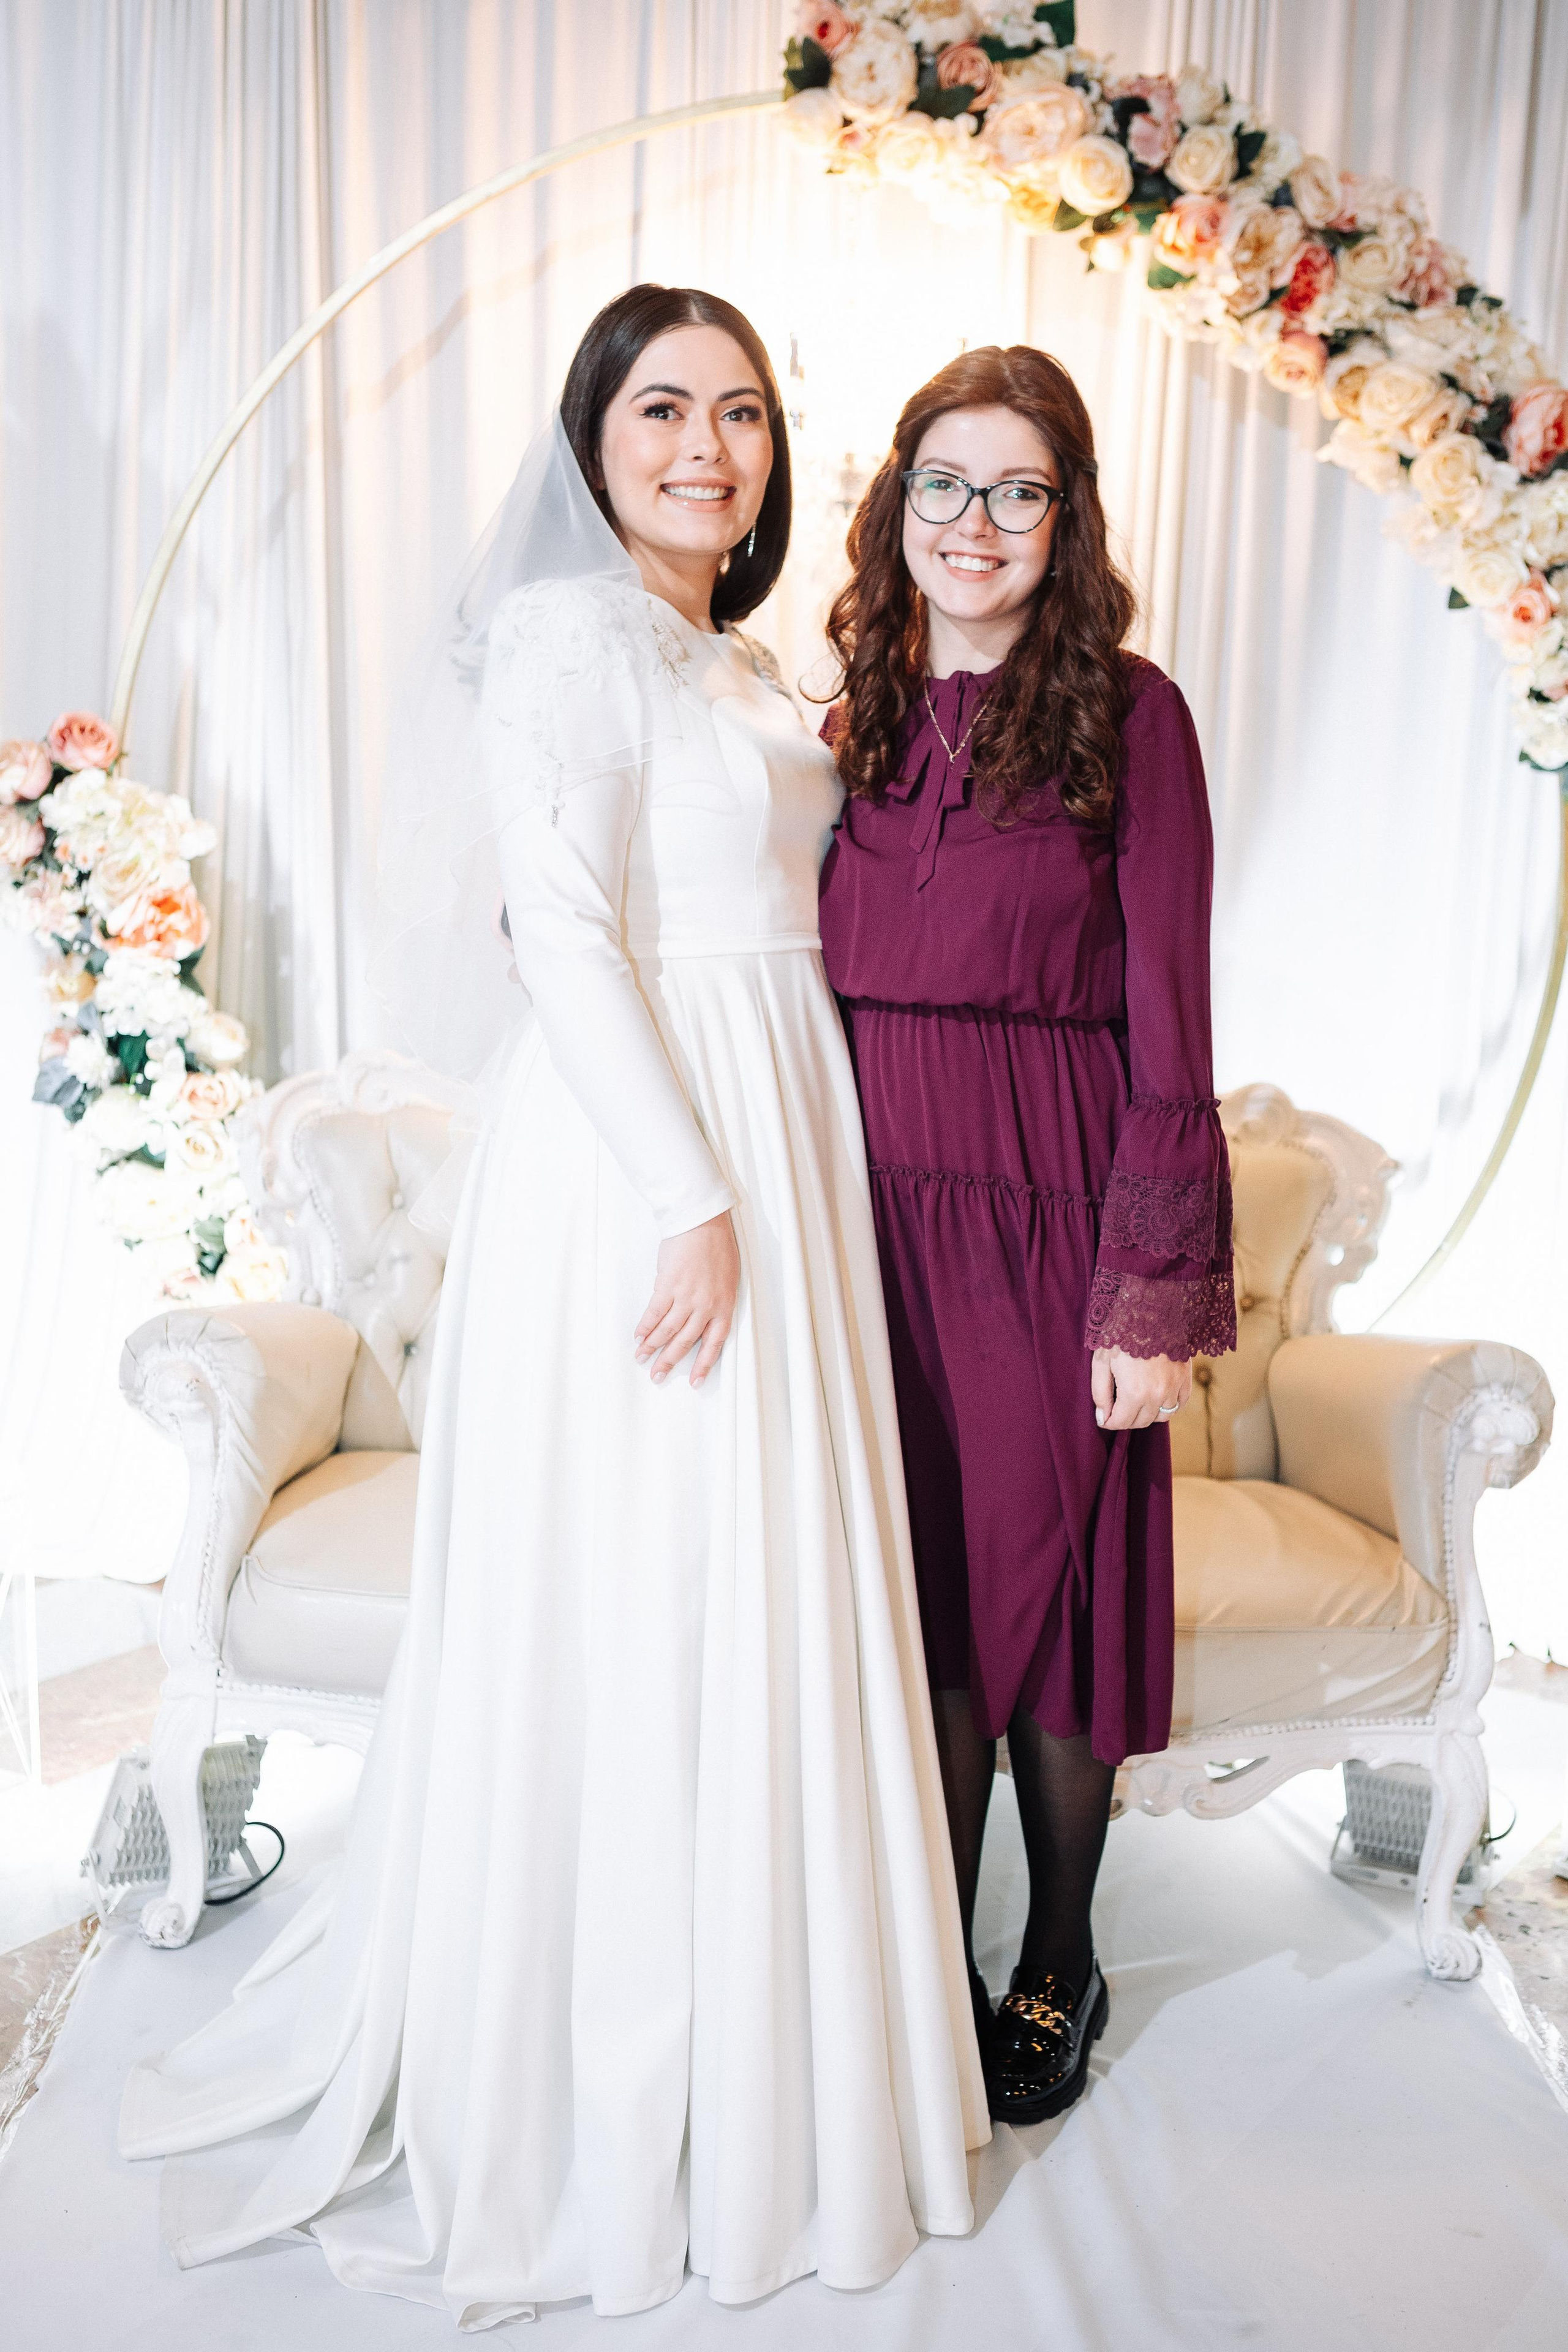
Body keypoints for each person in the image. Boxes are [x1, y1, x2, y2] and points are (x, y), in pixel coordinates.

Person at [120, 285, 987, 2328]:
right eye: (667, 409)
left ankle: (782, 2064)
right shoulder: (563, 638)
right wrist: (690, 1195)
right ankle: (621, 2081)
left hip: (782, 1119)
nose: (710, 448)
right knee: (653, 1585)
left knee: (757, 1581)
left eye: (747, 416)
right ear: (594, 432)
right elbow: (569, 937)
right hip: (649, 1160)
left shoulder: (736, 654)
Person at [817, 345, 1235, 2127]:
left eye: (1017, 490)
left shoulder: (1132, 713)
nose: (973, 523)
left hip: (1053, 1206)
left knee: (1045, 1608)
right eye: (943, 483)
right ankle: (927, 1950)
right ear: (893, 501)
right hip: (867, 1212)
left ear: (1066, 521)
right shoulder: (844, 707)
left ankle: (1059, 1954)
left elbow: (1170, 1010)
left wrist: (1147, 1293)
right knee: (918, 1611)